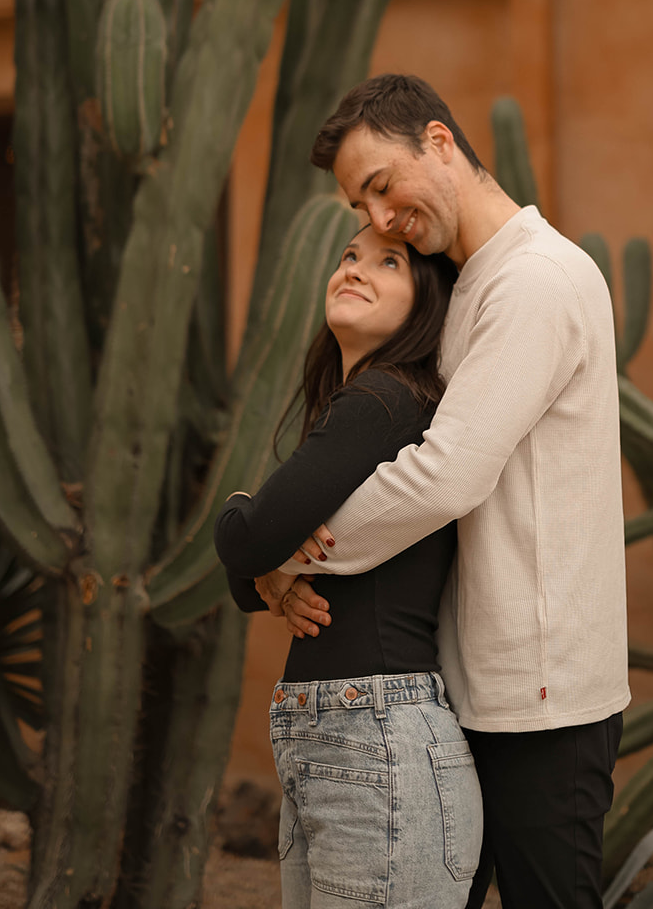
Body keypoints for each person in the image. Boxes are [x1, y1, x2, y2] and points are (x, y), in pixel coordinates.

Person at [255, 74, 629, 909]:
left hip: (540, 698)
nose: (380, 220)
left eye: (383, 186)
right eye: (362, 206)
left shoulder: (533, 281)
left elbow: (444, 474)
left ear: (438, 140)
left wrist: (288, 549)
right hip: (460, 686)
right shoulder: (465, 286)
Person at [214, 224, 482, 909]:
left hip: (375, 736)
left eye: (386, 262)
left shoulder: (383, 401)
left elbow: (246, 540)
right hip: (345, 736)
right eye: (348, 256)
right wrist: (266, 570)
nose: (354, 270)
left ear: (425, 303)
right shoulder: (365, 408)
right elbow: (253, 571)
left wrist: (249, 530)